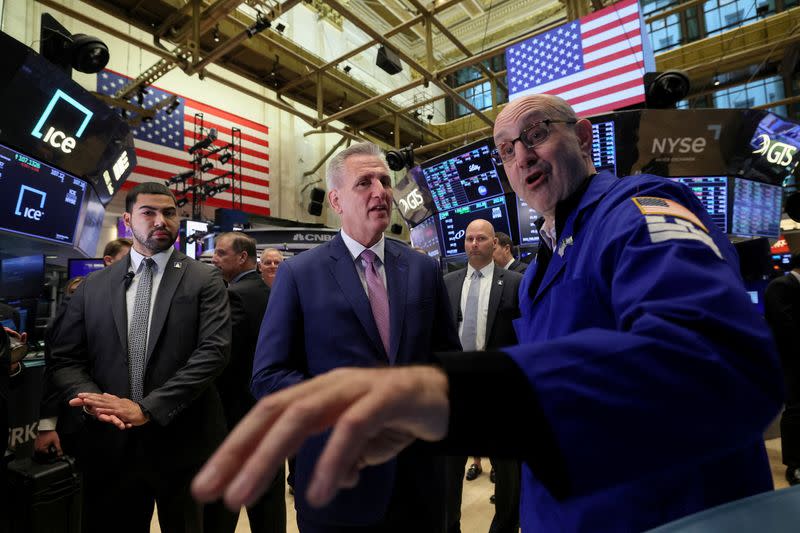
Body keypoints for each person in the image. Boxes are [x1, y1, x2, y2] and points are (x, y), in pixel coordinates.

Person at [193, 95, 783, 533]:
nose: (522, 156)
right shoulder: (545, 268)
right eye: (507, 150)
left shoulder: (636, 212)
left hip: (667, 513)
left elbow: (722, 364)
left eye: (536, 135)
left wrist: (454, 396)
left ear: (581, 136)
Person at [247, 142, 460, 533]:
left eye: (383, 180)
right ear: (336, 200)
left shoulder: (422, 269)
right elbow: (269, 375)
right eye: (364, 182)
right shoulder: (299, 275)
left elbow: (446, 358)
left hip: (418, 480)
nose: (380, 190)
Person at [47, 182, 231, 533]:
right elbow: (66, 357)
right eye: (149, 212)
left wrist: (148, 408)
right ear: (129, 220)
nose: (161, 220)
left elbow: (214, 352)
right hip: (110, 443)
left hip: (184, 441)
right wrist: (96, 401)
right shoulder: (94, 286)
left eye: (169, 212)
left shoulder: (204, 278)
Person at [442, 219, 522, 533]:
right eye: (469, 239)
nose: (474, 244)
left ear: (494, 244)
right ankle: (449, 526)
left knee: (507, 469)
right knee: (449, 468)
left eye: (481, 239)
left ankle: (504, 526)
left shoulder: (514, 283)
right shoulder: (448, 282)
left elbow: (522, 336)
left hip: (498, 392)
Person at [208, 232, 286, 533]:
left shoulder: (235, 296)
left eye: (221, 253)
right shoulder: (269, 293)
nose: (214, 259)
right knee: (268, 507)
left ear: (242, 258)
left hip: (238, 418)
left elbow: (224, 362)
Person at [765, 252, 800, 485]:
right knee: (796, 410)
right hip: (791, 360)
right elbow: (784, 326)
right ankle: (795, 464)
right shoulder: (780, 286)